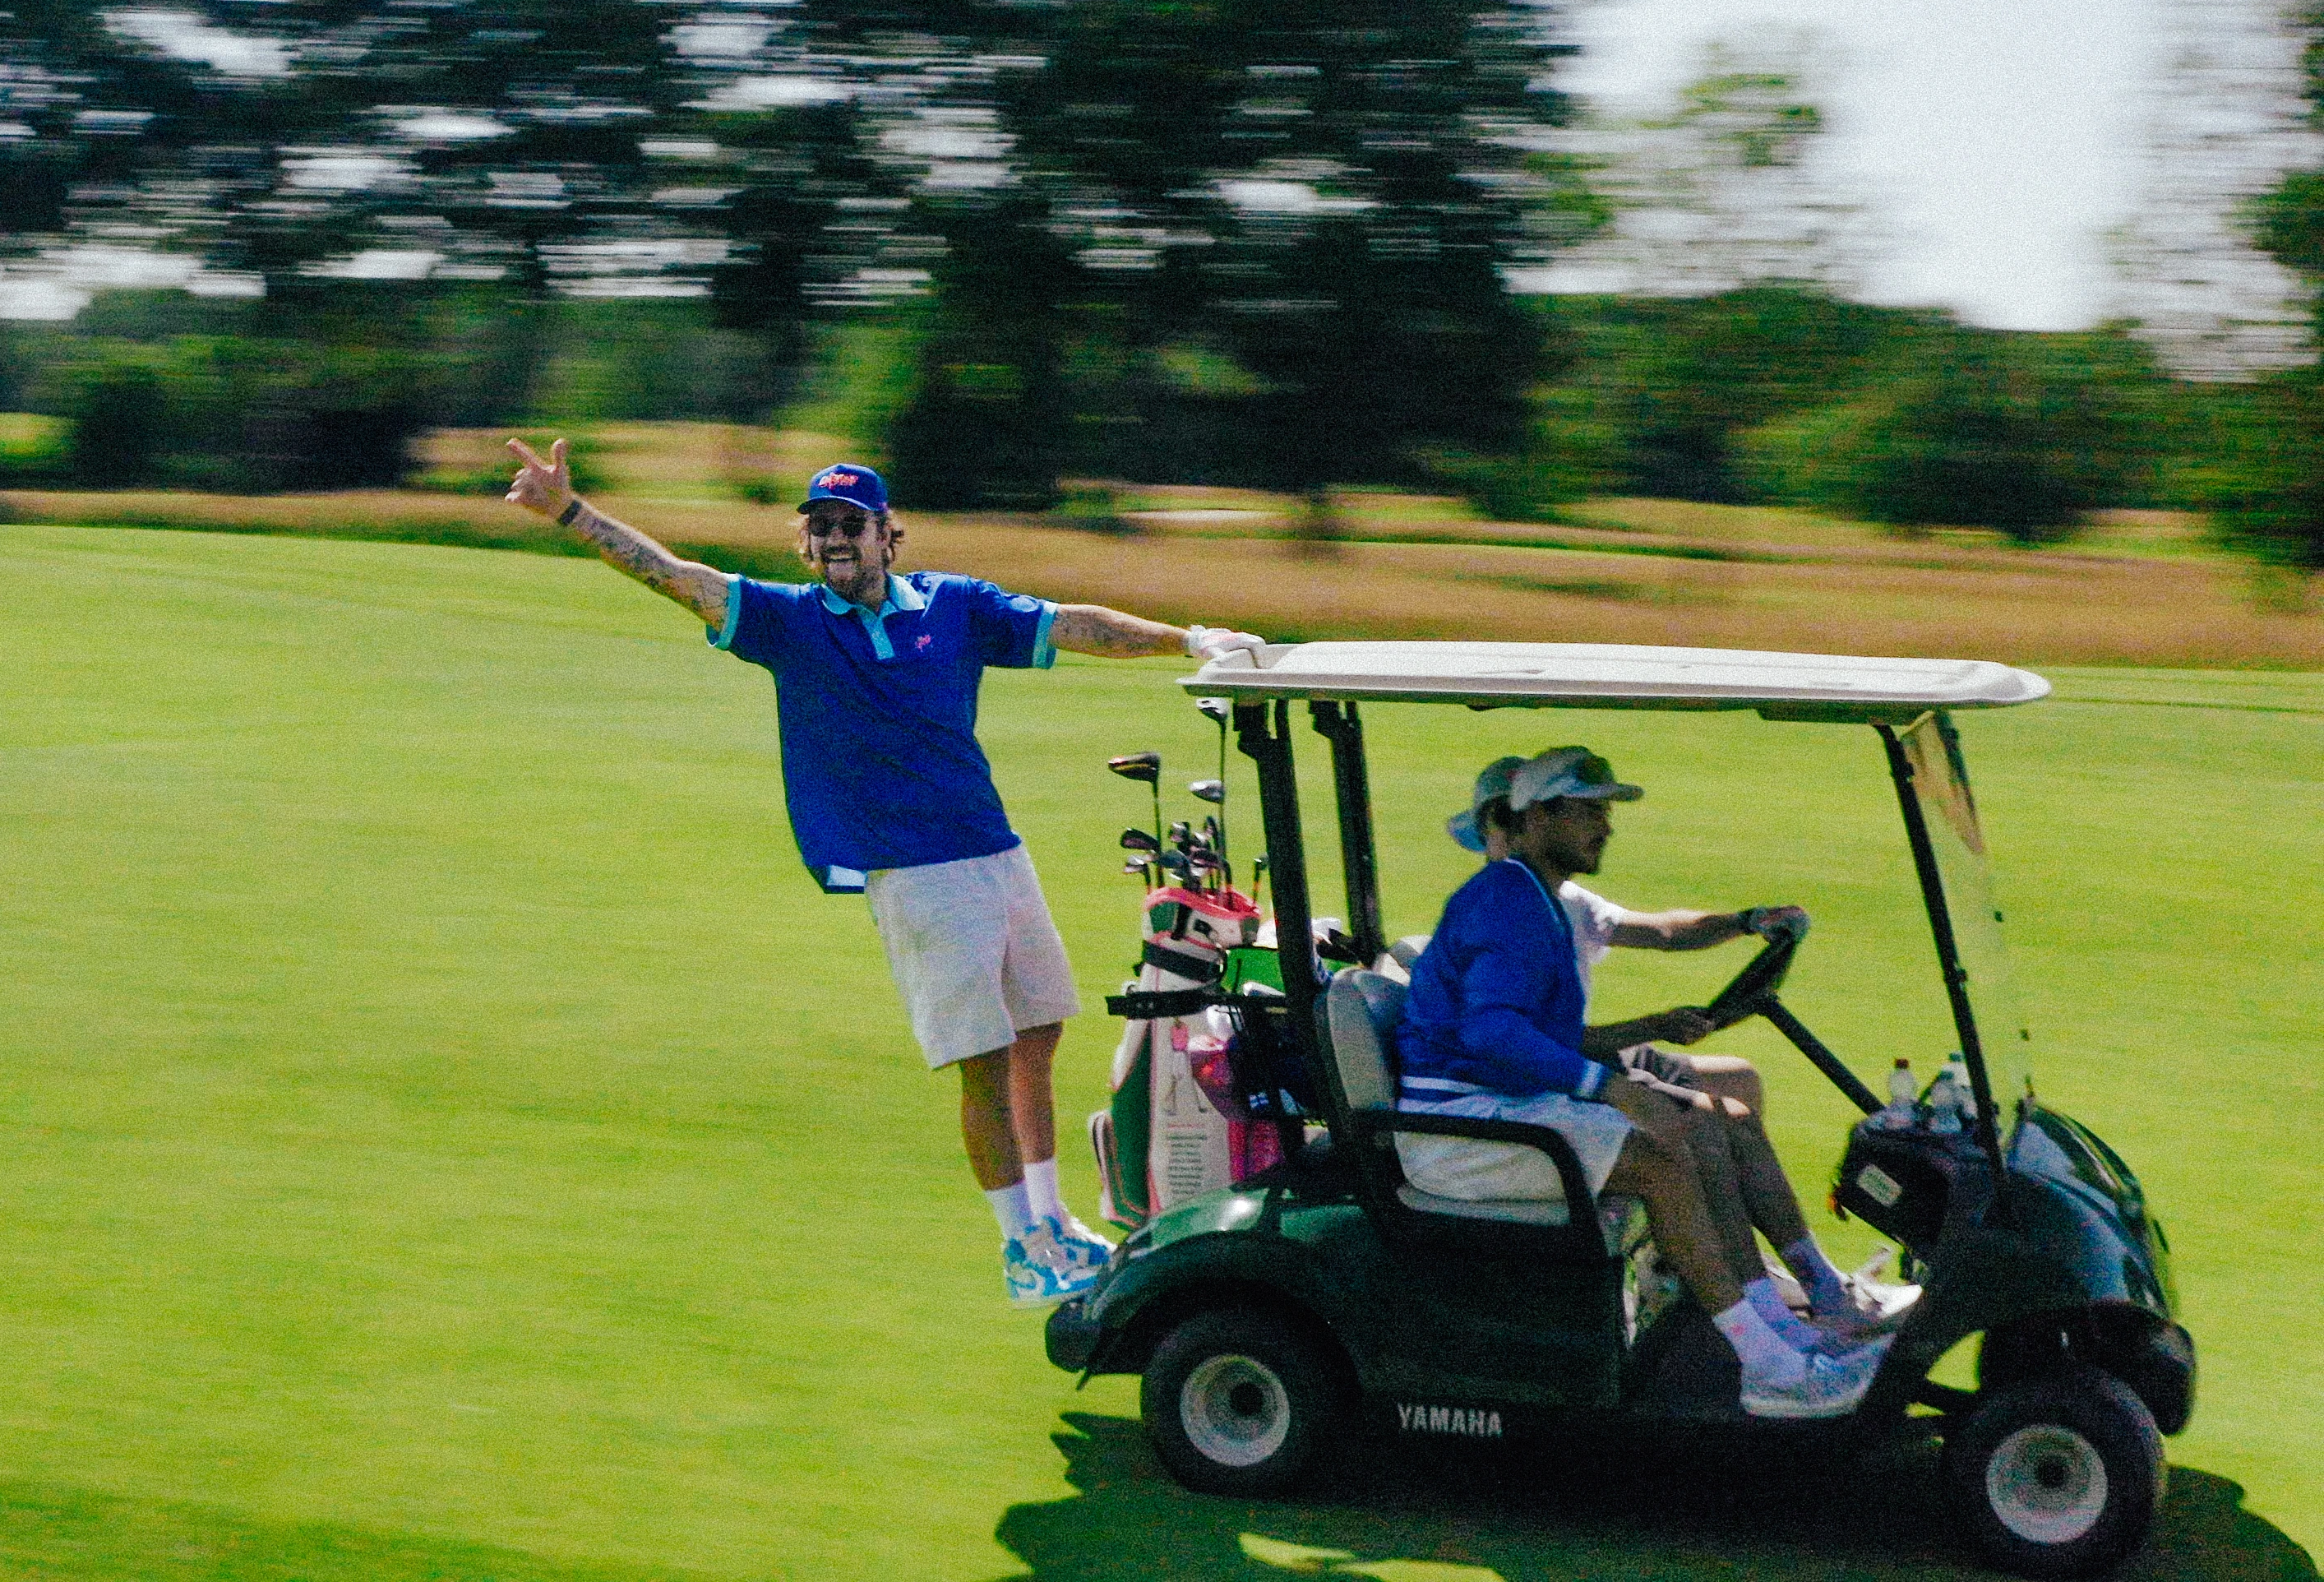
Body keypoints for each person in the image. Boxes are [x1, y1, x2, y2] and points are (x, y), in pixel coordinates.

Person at [502, 441, 1264, 1306]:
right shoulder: (790, 623)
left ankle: (1051, 1219)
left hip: (996, 851)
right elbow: (677, 577)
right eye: (817, 526)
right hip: (917, 877)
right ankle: (1020, 1248)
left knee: (1039, 1032)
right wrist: (568, 511)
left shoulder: (956, 607)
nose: (832, 538)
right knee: (982, 1060)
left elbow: (1071, 625)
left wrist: (1189, 638)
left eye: (849, 525)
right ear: (805, 543)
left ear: (885, 534)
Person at [1393, 747, 1887, 1418]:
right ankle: (1771, 1364)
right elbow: (1491, 1035)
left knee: (1695, 1128)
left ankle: (1787, 1332)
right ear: (1537, 817)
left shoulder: (1536, 898)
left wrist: (1630, 1054)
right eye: (1589, 810)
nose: (1607, 826)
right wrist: (1607, 1086)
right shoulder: (1506, 903)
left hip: (1502, 1104)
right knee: (1663, 1161)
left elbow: (1535, 1036)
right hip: (1462, 1128)